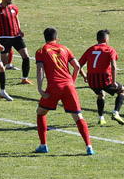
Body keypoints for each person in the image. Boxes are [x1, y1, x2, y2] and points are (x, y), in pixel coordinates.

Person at [34, 27, 94, 155]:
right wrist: (72, 81)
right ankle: (89, 147)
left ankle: (43, 145)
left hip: (54, 87)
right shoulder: (65, 48)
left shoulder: (41, 50)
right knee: (78, 117)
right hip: (69, 86)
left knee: (41, 113)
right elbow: (77, 66)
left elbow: (40, 69)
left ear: (45, 38)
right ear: (56, 38)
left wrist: (40, 88)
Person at [78, 29, 124, 126]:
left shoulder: (90, 49)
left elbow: (78, 65)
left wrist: (84, 76)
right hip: (105, 80)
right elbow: (113, 65)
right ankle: (116, 113)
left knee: (100, 94)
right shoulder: (110, 50)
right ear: (106, 39)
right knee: (122, 91)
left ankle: (101, 118)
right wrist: (113, 82)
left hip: (92, 81)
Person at [0, 0, 31, 84]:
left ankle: (24, 78)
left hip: (16, 36)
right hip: (5, 38)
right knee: (4, 62)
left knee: (26, 56)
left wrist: (20, 30)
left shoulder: (14, 7)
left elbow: (16, 19)